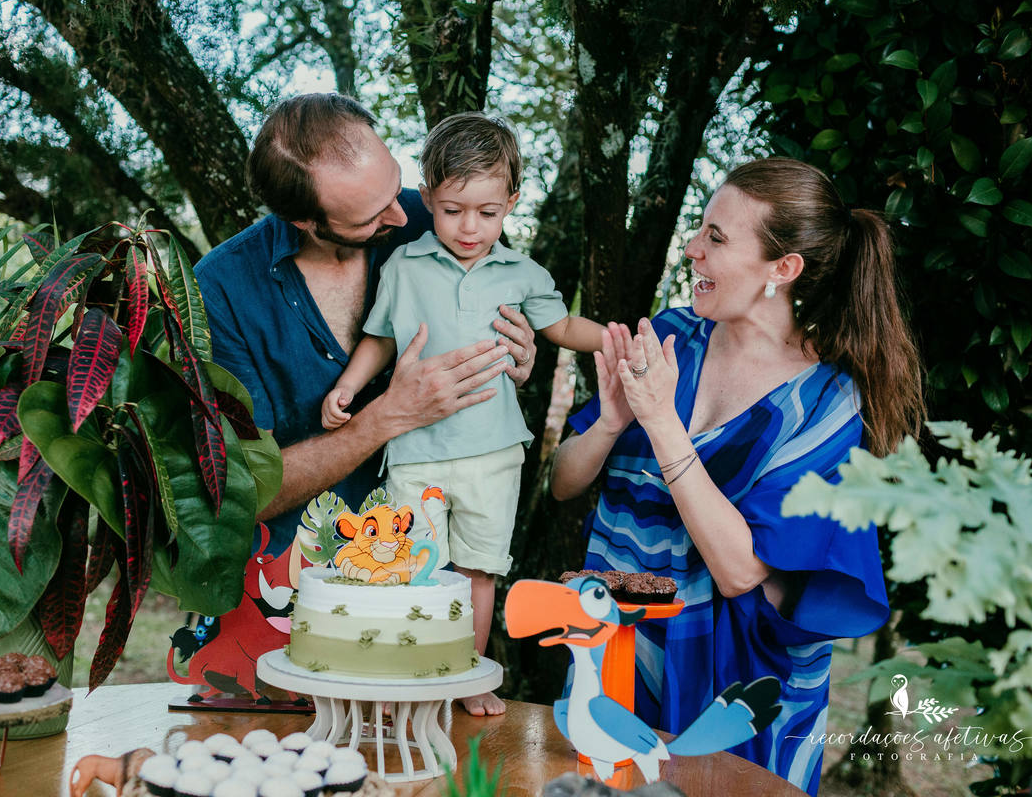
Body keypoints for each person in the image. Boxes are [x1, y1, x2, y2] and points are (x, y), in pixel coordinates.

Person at [549, 157, 925, 795]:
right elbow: (562, 483)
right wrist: (612, 422)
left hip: (739, 690)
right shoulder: (670, 338)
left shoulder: (826, 406)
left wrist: (663, 424)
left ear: (783, 269)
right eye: (700, 229)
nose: (693, 249)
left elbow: (741, 570)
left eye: (717, 238)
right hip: (619, 659)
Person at [321, 112, 603, 716]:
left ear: (511, 203)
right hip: (416, 451)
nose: (469, 227)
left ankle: (468, 676)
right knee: (409, 569)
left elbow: (563, 326)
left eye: (487, 212)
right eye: (451, 211)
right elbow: (380, 339)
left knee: (478, 571)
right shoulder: (403, 266)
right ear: (427, 199)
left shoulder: (523, 273)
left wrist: (624, 339)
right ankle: (404, 675)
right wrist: (348, 386)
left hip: (493, 451)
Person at [194, 93, 539, 563]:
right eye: (370, 217)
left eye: (395, 189)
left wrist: (516, 353)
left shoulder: (438, 217)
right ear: (305, 221)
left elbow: (502, 319)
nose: (400, 217)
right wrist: (389, 416)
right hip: (292, 581)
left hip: (429, 566)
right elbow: (243, 490)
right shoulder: (221, 289)